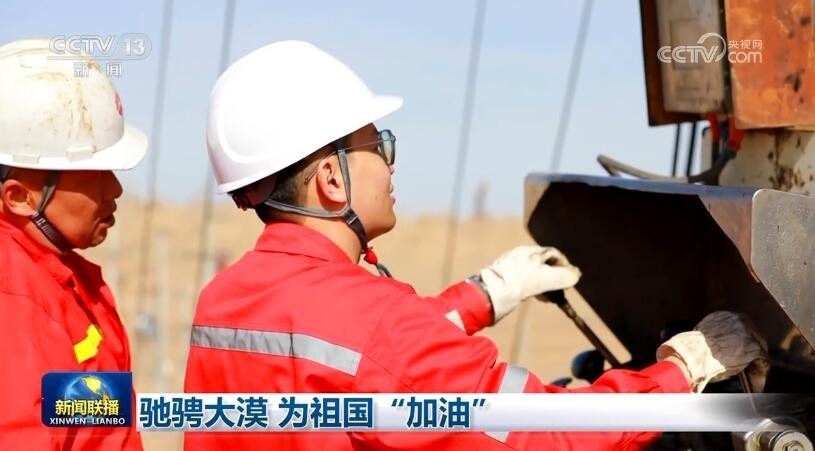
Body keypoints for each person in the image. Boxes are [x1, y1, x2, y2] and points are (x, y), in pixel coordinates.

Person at [184, 40, 768, 450]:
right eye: (379, 144)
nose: (391, 162)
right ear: (332, 179)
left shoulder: (224, 300)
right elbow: (550, 434)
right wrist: (682, 368)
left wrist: (486, 293)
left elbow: (356, 359)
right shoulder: (375, 325)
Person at [0, 39, 147, 450]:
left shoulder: (61, 279)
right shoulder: (14, 301)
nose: (115, 190)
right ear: (19, 196)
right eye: (95, 175)